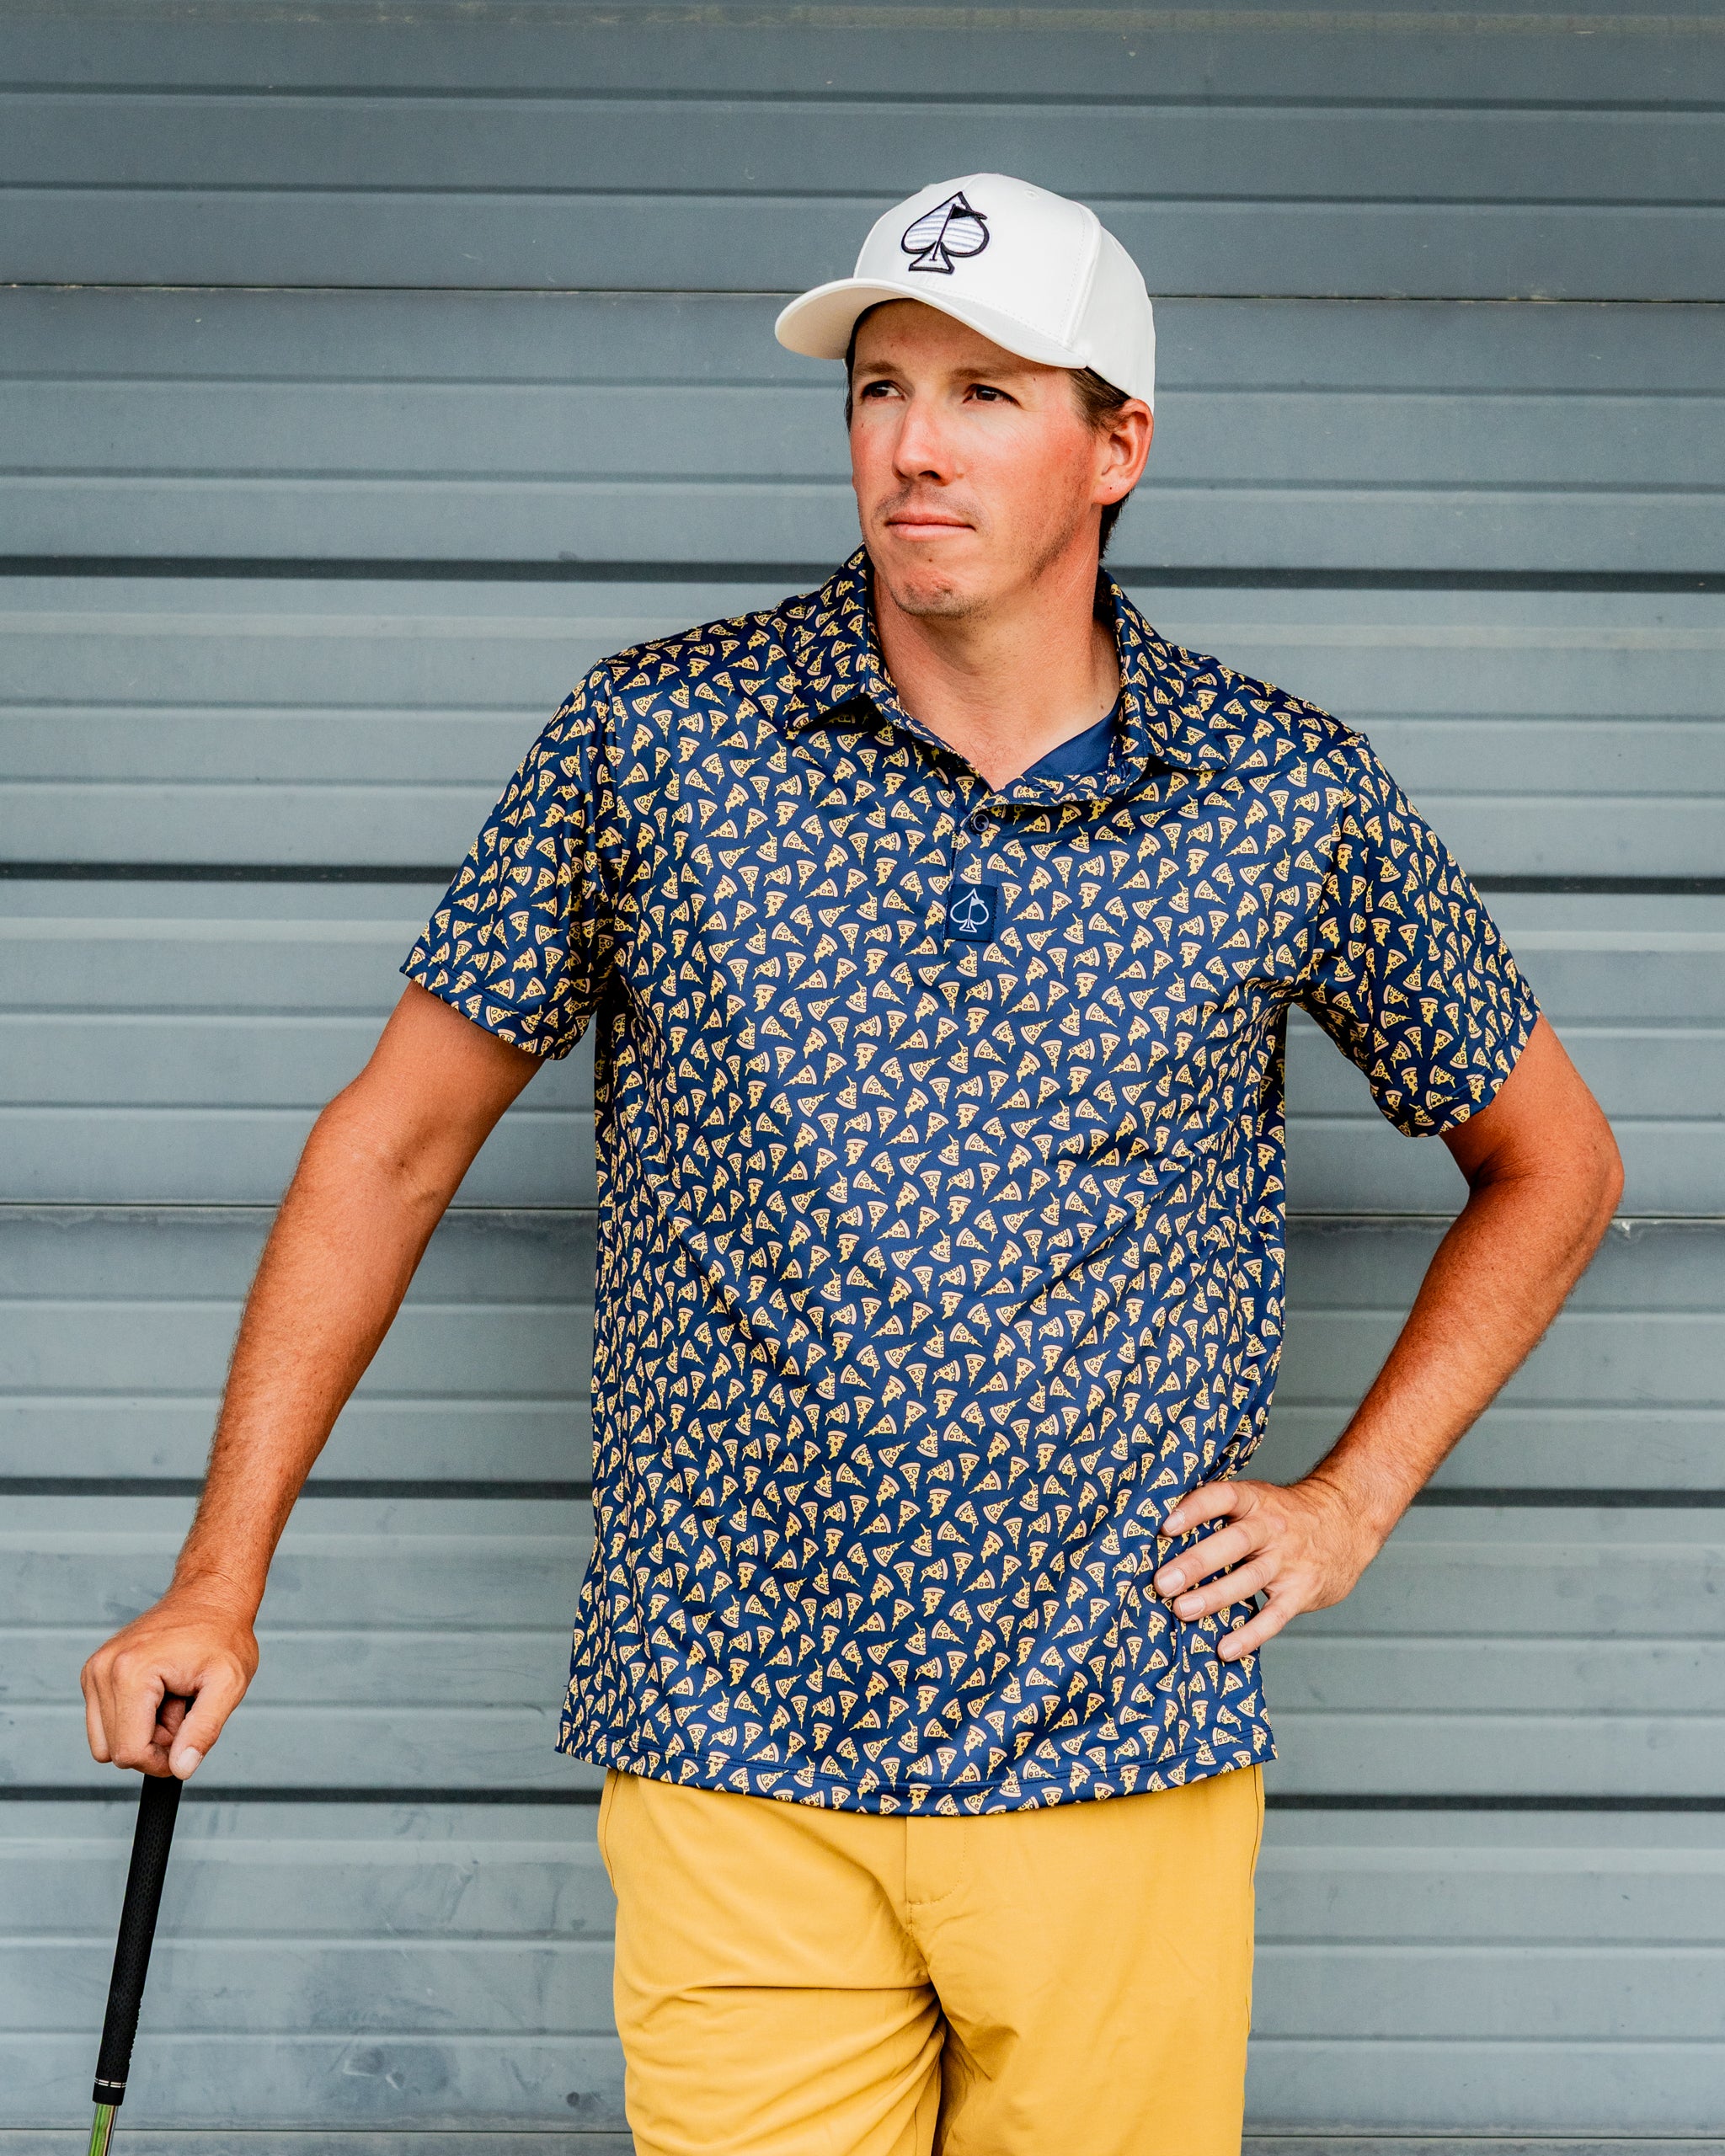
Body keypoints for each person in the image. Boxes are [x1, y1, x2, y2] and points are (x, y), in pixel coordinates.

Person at [82, 173, 1621, 2155]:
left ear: (1117, 444)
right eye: (880, 387)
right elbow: (390, 1144)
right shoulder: (658, 742)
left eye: (985, 391)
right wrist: (218, 1578)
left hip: (1112, 1741)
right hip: (731, 1742)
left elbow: (1555, 1164)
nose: (909, 442)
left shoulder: (1281, 792)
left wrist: (1353, 1495)